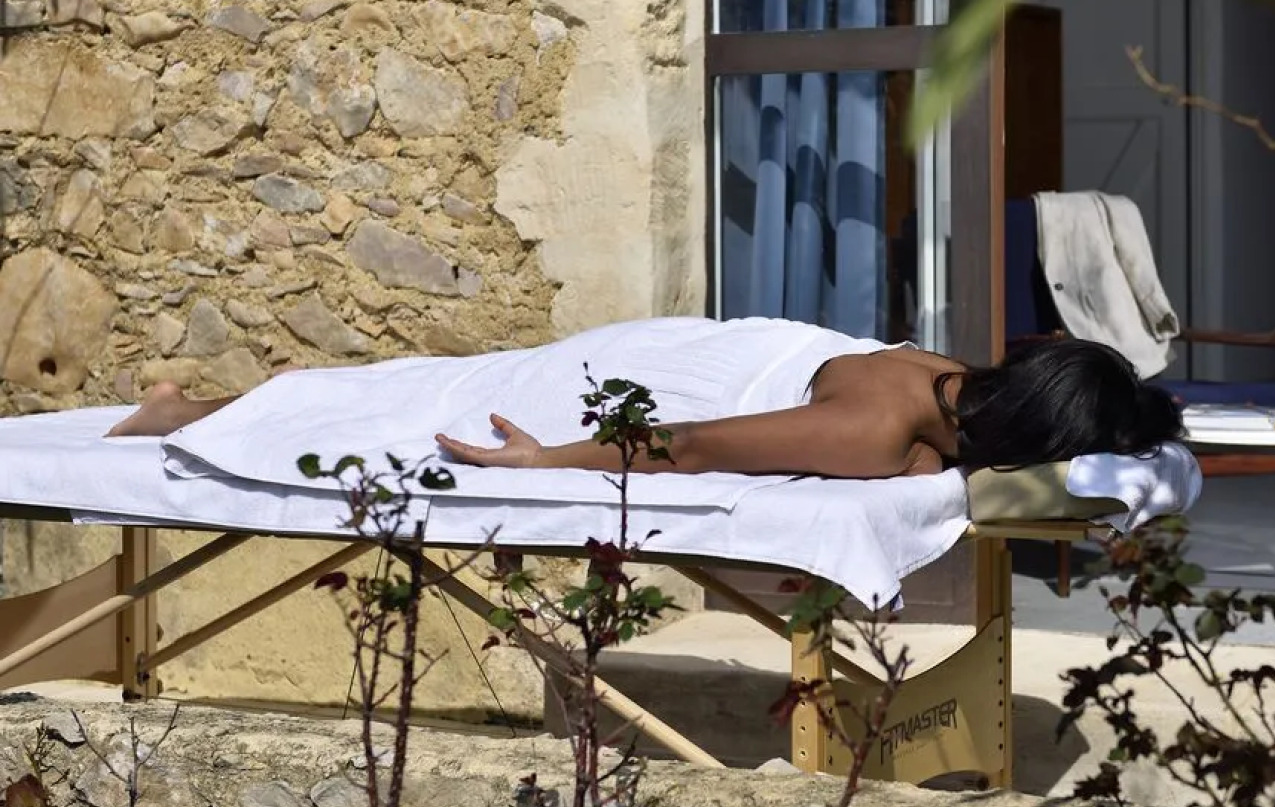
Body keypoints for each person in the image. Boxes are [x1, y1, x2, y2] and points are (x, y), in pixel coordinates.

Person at [105, 317, 1182, 480]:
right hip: (658, 387)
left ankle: (203, 401)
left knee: (427, 384)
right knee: (424, 413)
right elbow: (696, 444)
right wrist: (549, 462)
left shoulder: (941, 371)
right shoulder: (883, 428)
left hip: (696, 343)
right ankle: (185, 415)